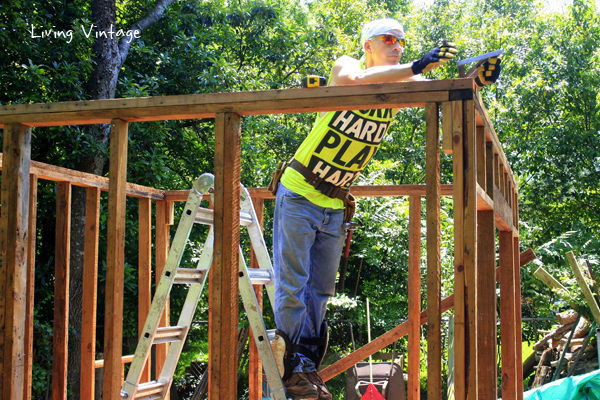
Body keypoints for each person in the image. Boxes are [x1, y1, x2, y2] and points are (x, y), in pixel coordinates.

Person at [269, 18, 500, 400]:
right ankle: (291, 370)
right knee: (292, 287)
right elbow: (355, 82)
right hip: (299, 191)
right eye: (389, 39)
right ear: (368, 46)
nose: (397, 46)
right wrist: (416, 66)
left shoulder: (405, 82)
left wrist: (478, 79)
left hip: (334, 204)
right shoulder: (347, 65)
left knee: (321, 291)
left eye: (402, 43)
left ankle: (307, 367)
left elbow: (444, 90)